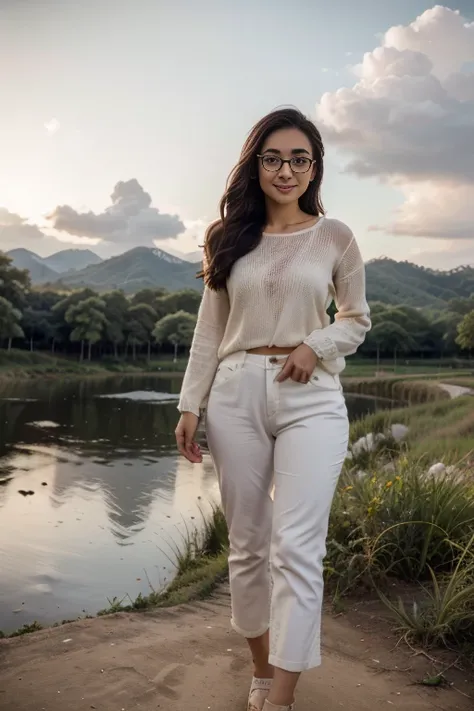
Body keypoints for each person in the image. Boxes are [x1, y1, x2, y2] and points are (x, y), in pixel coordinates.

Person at [175, 107, 371, 711]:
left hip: (309, 397)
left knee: (298, 545)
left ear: (314, 167)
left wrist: (318, 344)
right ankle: (261, 672)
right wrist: (189, 406)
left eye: (298, 159)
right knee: (249, 543)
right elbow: (209, 332)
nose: (285, 170)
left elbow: (357, 319)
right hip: (234, 392)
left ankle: (281, 698)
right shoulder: (226, 236)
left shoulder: (335, 235)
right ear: (255, 164)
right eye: (273, 158)